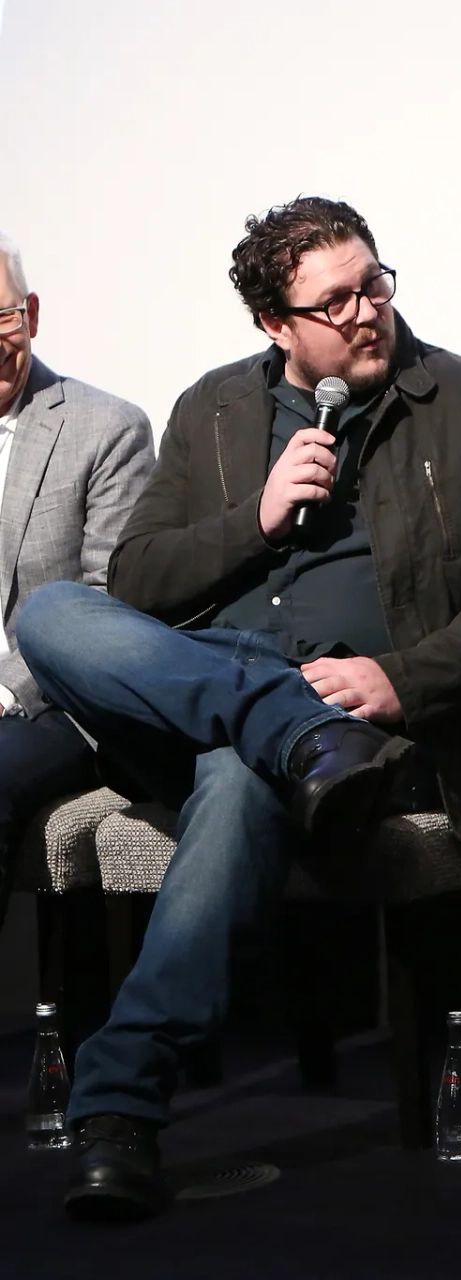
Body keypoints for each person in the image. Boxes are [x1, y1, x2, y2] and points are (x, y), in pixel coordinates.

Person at [17, 197, 461, 1221]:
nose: (369, 311)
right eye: (337, 300)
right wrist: (257, 517)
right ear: (277, 326)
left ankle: (119, 1109)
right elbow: (137, 577)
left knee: (239, 771)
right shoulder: (214, 410)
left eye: (376, 282)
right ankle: (286, 725)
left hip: (371, 723)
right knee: (55, 610)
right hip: (229, 696)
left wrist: (400, 675)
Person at [0, 231, 154, 936]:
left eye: (4, 317)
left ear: (31, 311)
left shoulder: (105, 429)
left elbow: (104, 604)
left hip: (54, 703)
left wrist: (6, 686)